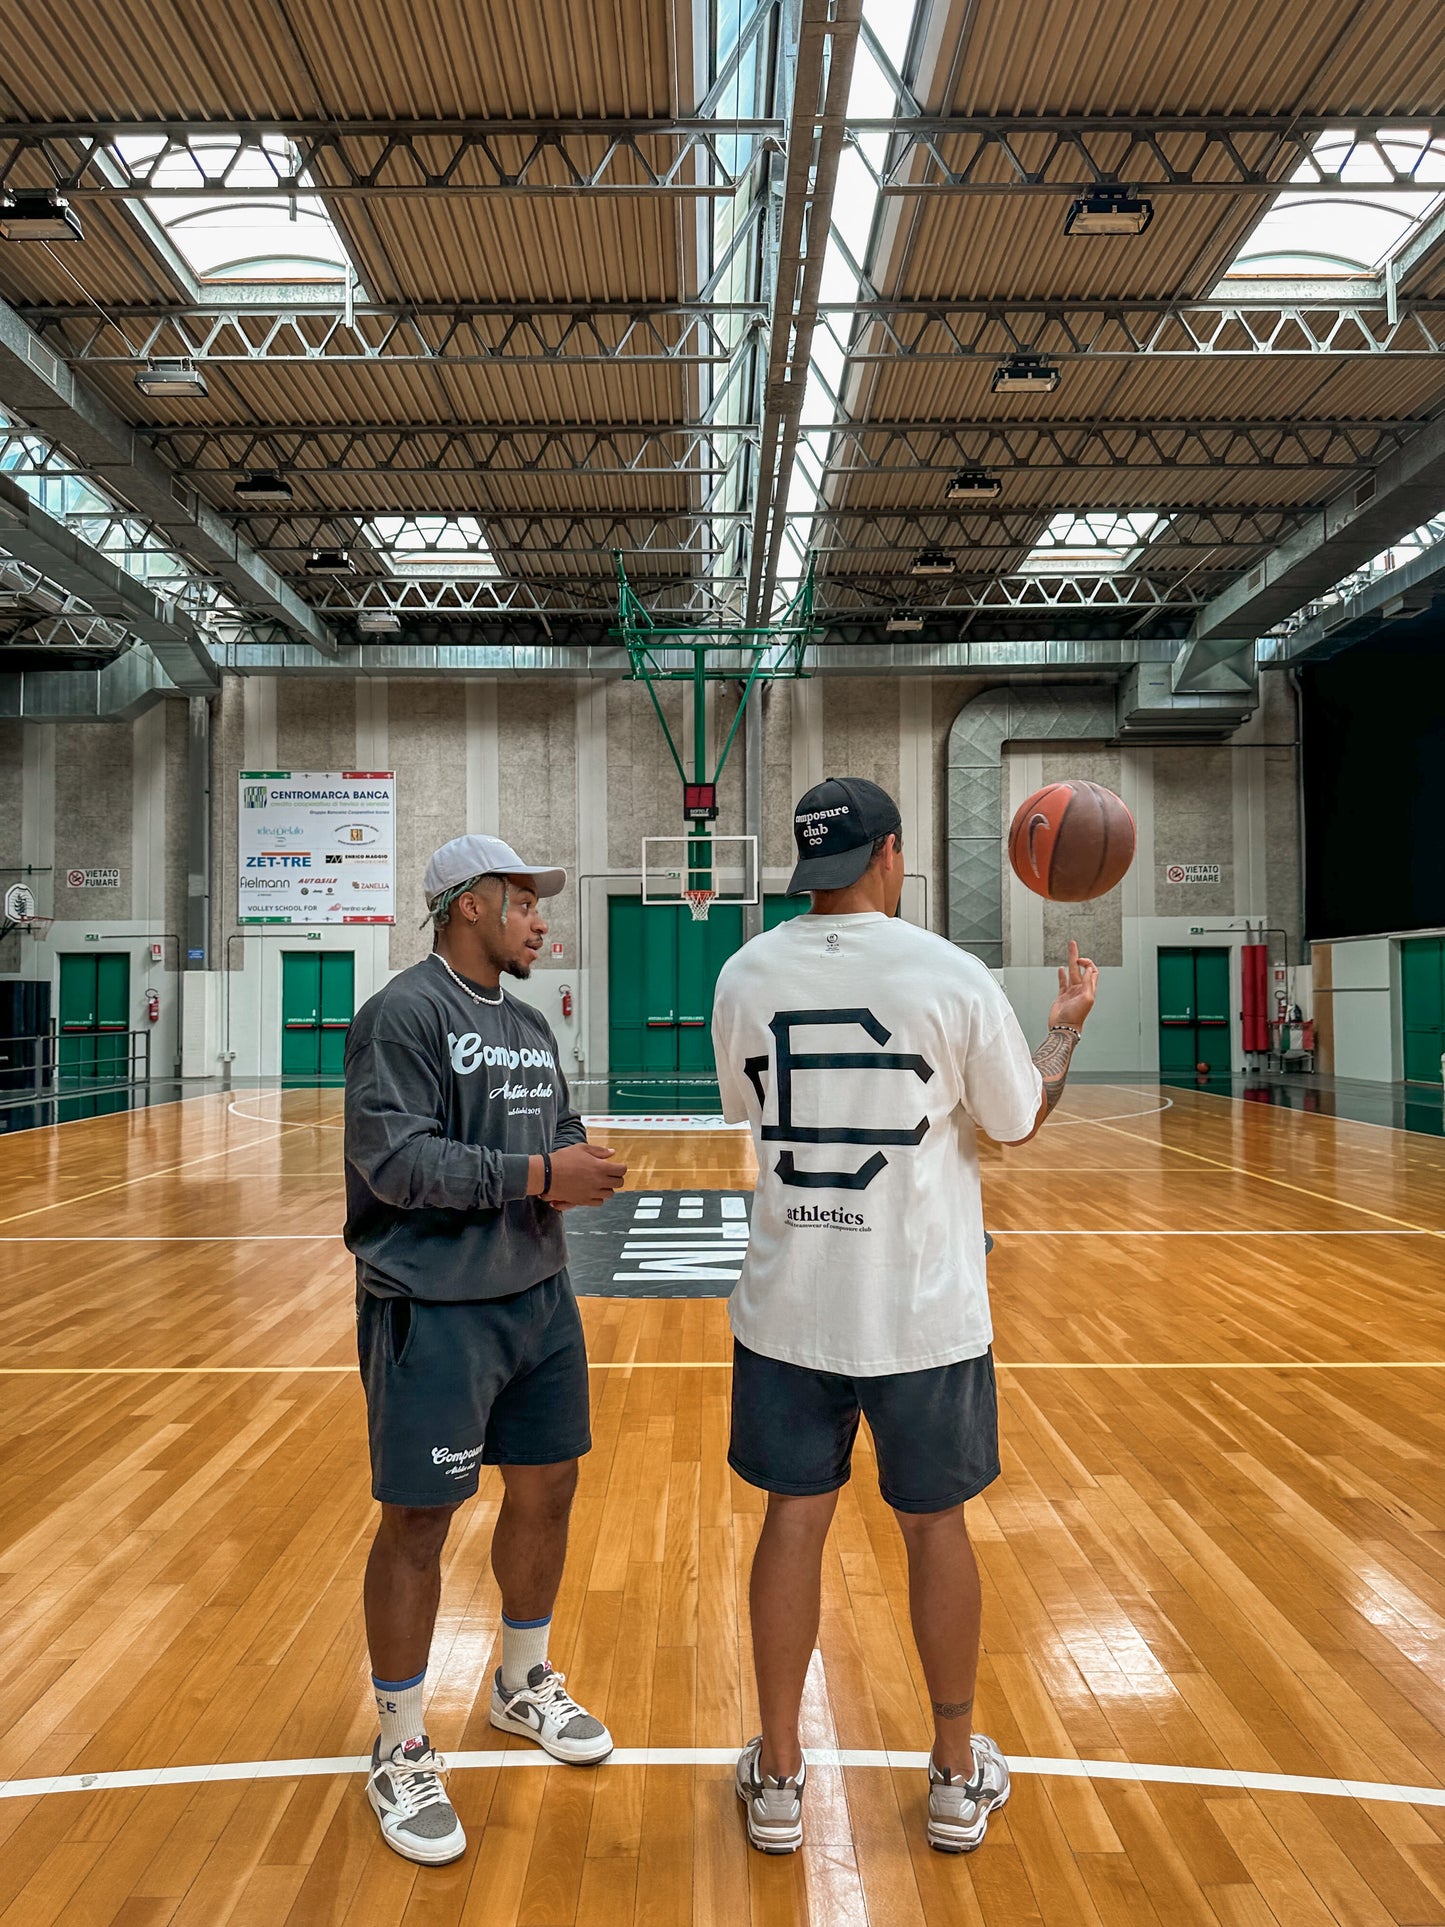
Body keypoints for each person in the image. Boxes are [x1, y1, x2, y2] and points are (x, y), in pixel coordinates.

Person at [711, 777, 1098, 1855]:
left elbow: (744, 1110)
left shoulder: (743, 972)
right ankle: (950, 1772)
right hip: (921, 1313)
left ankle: (779, 1775)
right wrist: (1059, 1031)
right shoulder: (950, 974)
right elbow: (1016, 1123)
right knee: (934, 1527)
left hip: (787, 1309)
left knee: (792, 1519)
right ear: (890, 855)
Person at [343, 834, 628, 1865]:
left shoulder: (525, 1022)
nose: (541, 919)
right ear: (467, 905)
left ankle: (519, 1683)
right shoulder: (402, 1014)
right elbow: (396, 1160)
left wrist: (577, 1155)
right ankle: (400, 1740)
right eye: (524, 902)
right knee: (419, 1520)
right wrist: (540, 1176)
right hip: (433, 1302)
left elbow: (549, 1128)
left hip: (538, 1298)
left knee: (548, 1489)